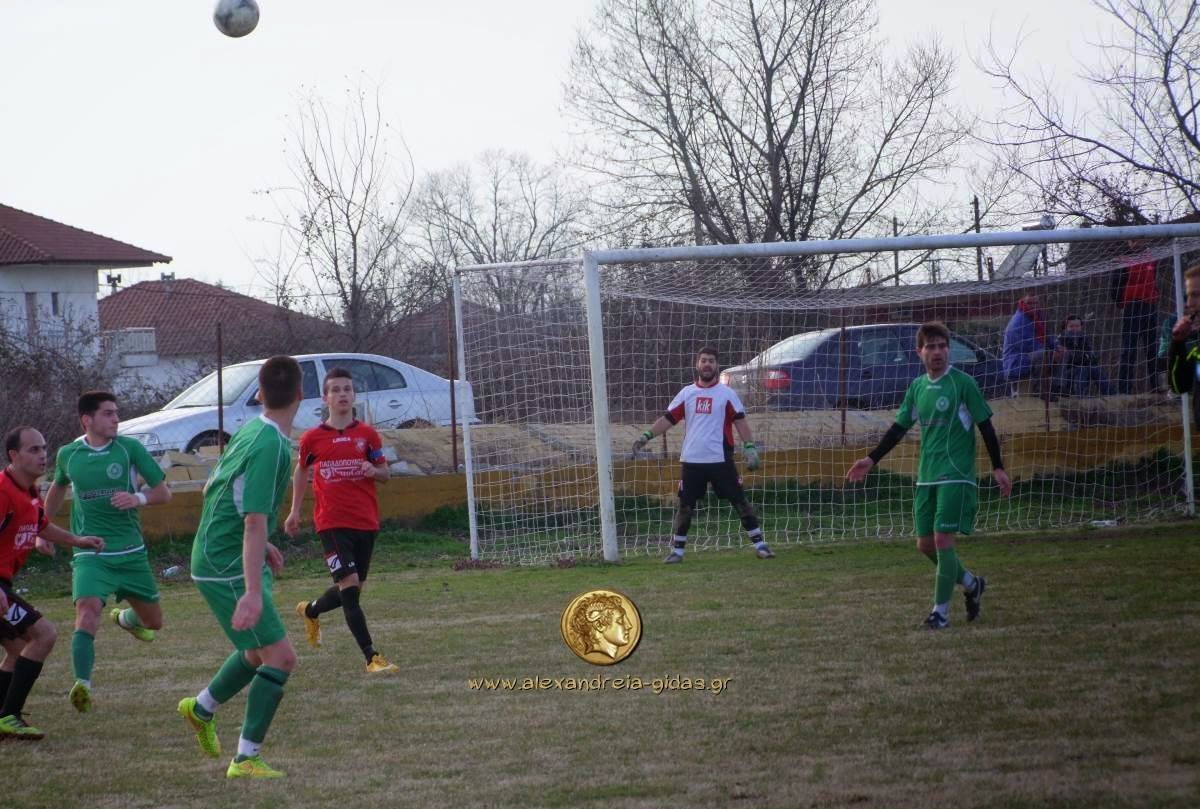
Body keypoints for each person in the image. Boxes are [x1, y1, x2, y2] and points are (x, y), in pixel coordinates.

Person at [177, 356, 301, 779]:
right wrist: (250, 590)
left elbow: (216, 490)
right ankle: (246, 759)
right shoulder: (272, 446)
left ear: (259, 394)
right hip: (225, 563)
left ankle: (201, 709)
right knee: (280, 658)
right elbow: (252, 519)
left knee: (254, 651)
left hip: (221, 553)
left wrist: (263, 543)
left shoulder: (251, 430)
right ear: (301, 394)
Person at [845, 322, 1012, 630]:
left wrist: (998, 467)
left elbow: (985, 426)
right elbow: (899, 428)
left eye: (942, 346)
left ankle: (940, 613)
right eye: (931, 346)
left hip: (957, 474)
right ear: (919, 352)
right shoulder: (917, 387)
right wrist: (871, 459)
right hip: (927, 475)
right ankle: (972, 584)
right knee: (925, 545)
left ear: (949, 349)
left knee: (942, 540)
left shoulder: (963, 384)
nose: (937, 352)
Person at [43, 392, 172, 714]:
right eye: (108, 413)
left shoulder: (130, 449)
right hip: (91, 551)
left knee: (154, 622)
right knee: (87, 612)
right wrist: (39, 529)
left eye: (116, 413)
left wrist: (137, 499)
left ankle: (126, 618)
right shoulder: (69, 454)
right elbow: (58, 487)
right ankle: (82, 685)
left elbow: (163, 493)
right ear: (87, 420)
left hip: (131, 552)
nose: (116, 419)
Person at [284, 367, 398, 674]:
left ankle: (310, 610)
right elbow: (301, 471)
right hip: (331, 523)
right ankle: (372, 657)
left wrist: (374, 471)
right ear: (325, 398)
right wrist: (294, 511)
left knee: (353, 590)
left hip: (365, 521)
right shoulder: (312, 438)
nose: (342, 394)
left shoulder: (367, 435)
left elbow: (386, 473)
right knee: (348, 585)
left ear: (354, 395)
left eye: (347, 388)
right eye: (335, 390)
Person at [0, 426, 104, 739]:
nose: (43, 455)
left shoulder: (30, 492)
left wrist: (78, 540)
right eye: (33, 449)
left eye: (44, 448)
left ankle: (4, 717)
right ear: (14, 455)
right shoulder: (3, 491)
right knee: (43, 634)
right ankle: (9, 716)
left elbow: (41, 525)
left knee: (18, 648)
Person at [631, 346, 773, 563]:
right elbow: (668, 419)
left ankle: (761, 546)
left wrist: (750, 447)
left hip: (720, 460)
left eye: (711, 361)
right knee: (685, 505)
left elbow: (740, 421)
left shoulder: (727, 394)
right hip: (692, 461)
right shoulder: (687, 393)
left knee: (739, 501)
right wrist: (646, 436)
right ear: (697, 365)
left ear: (717, 366)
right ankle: (677, 552)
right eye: (703, 360)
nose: (707, 364)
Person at [1113, 240, 1160, 394]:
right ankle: (1124, 390)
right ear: (1128, 242)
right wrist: (1122, 302)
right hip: (1132, 306)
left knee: (1152, 347)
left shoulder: (1151, 258)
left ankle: (1156, 386)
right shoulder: (1122, 260)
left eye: (1138, 240)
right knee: (1129, 348)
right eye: (1132, 240)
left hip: (1149, 305)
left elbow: (1154, 278)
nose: (1135, 243)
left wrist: (1154, 294)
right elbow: (1115, 285)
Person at [1002, 293, 1065, 397]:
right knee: (1045, 354)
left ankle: (1058, 387)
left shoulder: (1038, 317)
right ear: (1023, 303)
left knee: (1062, 352)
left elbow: (1046, 336)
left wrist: (1056, 347)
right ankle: (1037, 388)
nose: (1033, 306)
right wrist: (1051, 353)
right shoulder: (1017, 323)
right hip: (1016, 362)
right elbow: (1029, 346)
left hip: (1030, 358)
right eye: (1030, 303)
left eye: (1036, 303)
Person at [1166, 264, 1200, 427]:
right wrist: (1178, 343)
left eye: (1196, 295)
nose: (1189, 303)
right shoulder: (1194, 341)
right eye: (1188, 296)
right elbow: (1179, 386)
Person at [1056, 316, 1115, 397]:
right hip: (1065, 374)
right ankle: (1079, 397)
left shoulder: (1084, 339)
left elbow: (1093, 356)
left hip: (1084, 368)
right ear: (1065, 327)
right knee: (1082, 369)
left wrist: (1086, 357)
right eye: (1071, 326)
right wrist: (1084, 357)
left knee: (1095, 369)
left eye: (1077, 326)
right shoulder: (1061, 340)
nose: (1075, 328)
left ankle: (1112, 395)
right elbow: (1070, 359)